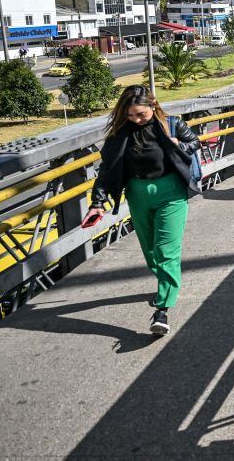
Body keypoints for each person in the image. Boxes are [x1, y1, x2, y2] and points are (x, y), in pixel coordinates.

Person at [87, 85, 201, 336]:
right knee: (151, 252)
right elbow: (107, 170)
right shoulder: (119, 134)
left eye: (141, 114)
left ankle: (162, 309)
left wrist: (179, 145)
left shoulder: (171, 124)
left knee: (165, 251)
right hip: (137, 195)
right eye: (130, 115)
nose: (136, 120)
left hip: (171, 193)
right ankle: (166, 282)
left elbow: (194, 142)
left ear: (153, 105)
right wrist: (97, 203)